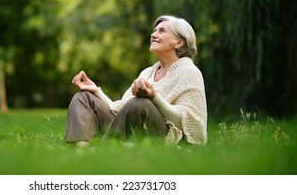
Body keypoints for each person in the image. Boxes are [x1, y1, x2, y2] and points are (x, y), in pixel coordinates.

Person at [64, 15, 207, 147]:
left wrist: (153, 97)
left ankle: (102, 147)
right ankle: (82, 147)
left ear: (179, 42)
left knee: (141, 103)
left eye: (161, 31)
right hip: (128, 125)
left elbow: (188, 123)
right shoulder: (147, 73)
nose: (153, 35)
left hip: (164, 135)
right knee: (83, 97)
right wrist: (97, 91)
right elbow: (122, 110)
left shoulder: (190, 72)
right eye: (154, 30)